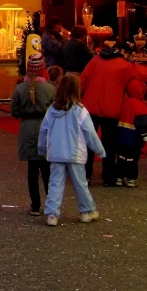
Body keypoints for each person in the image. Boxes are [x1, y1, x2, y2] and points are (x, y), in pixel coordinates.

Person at [79, 38, 147, 186]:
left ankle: (85, 177)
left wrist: (75, 101)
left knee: (88, 143)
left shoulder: (95, 60)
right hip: (111, 109)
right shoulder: (125, 65)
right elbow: (145, 74)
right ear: (125, 52)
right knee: (109, 145)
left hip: (89, 108)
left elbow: (82, 80)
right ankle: (108, 178)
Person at [38, 74, 106, 226]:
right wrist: (100, 150)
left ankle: (52, 214)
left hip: (55, 152)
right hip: (75, 153)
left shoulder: (51, 110)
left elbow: (44, 130)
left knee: (55, 183)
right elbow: (90, 132)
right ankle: (86, 211)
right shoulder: (80, 110)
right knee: (80, 184)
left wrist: (41, 148)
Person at [10, 54, 55, 216]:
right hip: (46, 127)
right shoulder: (50, 88)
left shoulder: (20, 88)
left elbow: (14, 111)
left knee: (32, 170)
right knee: (47, 169)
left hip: (27, 128)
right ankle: (51, 204)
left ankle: (35, 205)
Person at [116, 79, 147, 188]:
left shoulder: (124, 102)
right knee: (132, 160)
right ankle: (131, 179)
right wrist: (146, 135)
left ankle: (119, 178)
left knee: (121, 158)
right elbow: (142, 123)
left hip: (121, 137)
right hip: (133, 140)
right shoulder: (140, 106)